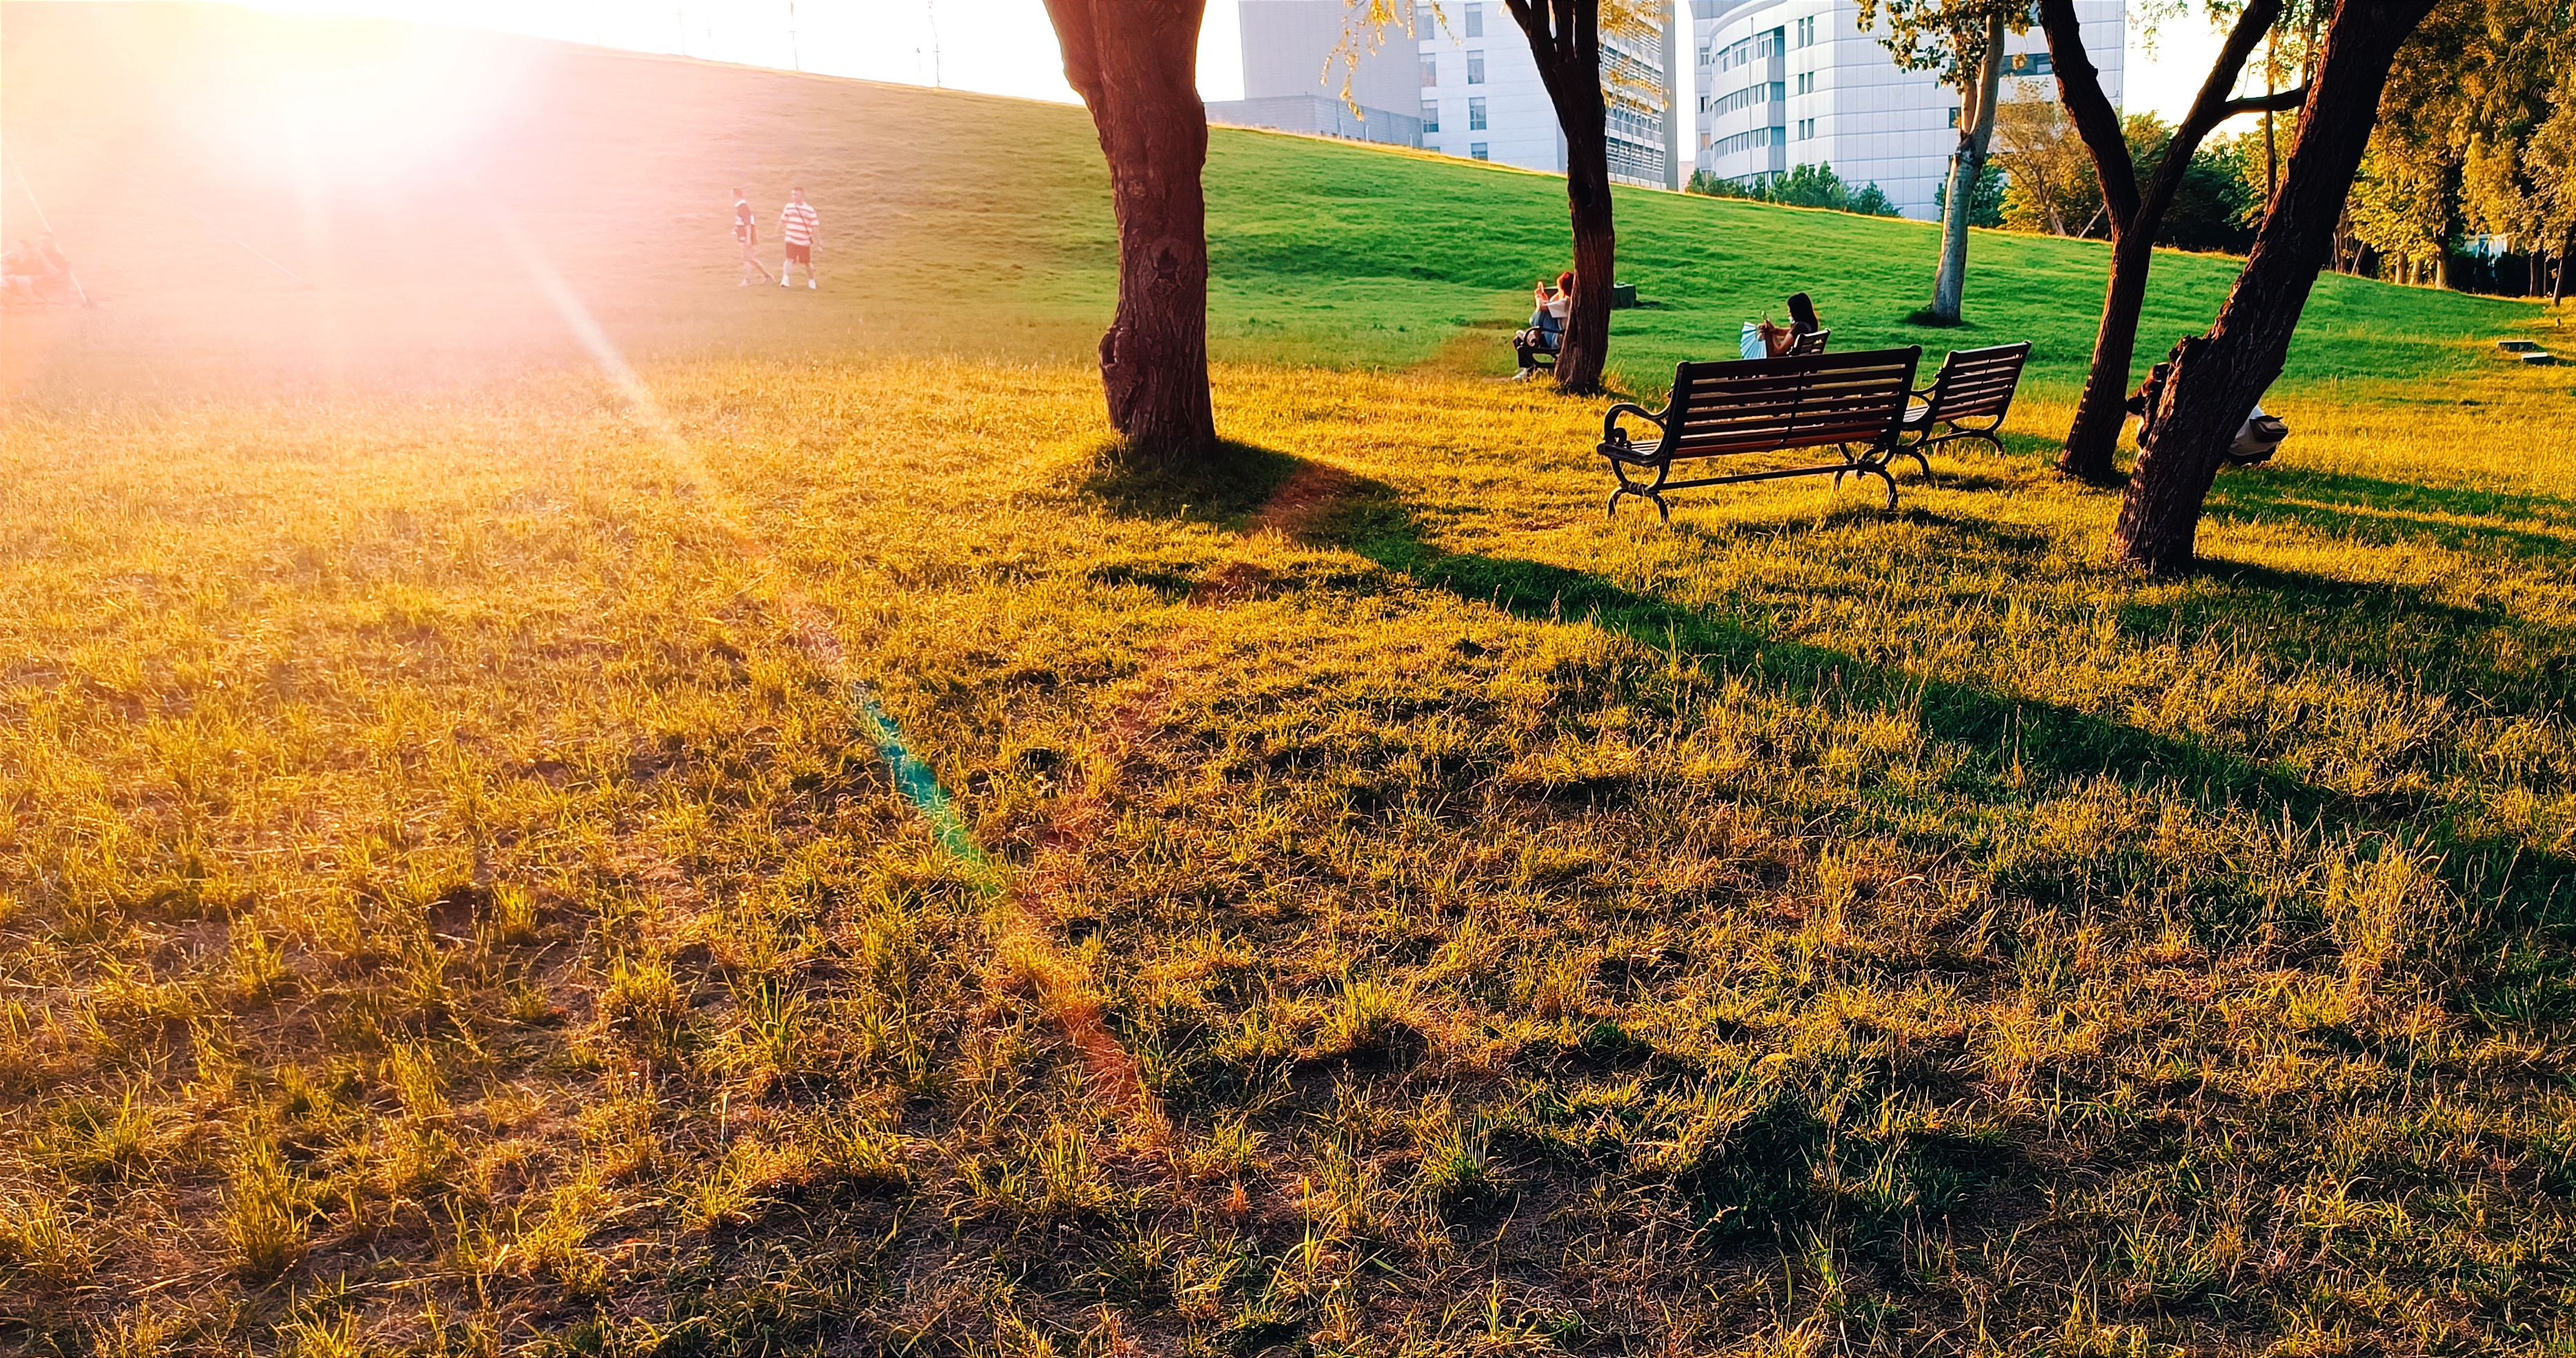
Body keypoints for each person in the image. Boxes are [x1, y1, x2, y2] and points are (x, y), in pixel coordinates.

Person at [1512, 271, 1574, 379]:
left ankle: (1533, 337)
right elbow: (1550, 304)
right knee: (1546, 310)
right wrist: (1545, 298)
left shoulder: (1565, 303)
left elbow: (1543, 307)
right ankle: (1528, 366)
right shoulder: (1568, 302)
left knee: (1543, 310)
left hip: (1557, 340)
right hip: (1560, 336)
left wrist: (1539, 296)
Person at [1740, 292, 1824, 359]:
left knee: (1763, 337)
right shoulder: (1809, 327)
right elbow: (1785, 332)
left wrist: (1768, 334)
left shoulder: (1798, 328)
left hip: (1784, 368)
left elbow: (1777, 353)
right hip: (1800, 366)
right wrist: (1773, 330)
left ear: (1796, 312)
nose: (1788, 312)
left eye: (1790, 310)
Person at [778, 186, 820, 289]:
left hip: (804, 241)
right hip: (791, 238)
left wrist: (819, 240)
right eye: (793, 195)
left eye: (796, 195)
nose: (794, 197)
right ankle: (785, 279)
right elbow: (783, 219)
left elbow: (815, 226)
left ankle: (812, 280)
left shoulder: (809, 210)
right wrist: (777, 230)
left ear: (802, 196)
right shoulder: (789, 207)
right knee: (789, 259)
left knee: (807, 262)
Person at [733, 190, 771, 286]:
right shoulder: (740, 208)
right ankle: (768, 276)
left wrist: (748, 239)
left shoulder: (743, 207)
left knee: (747, 259)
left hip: (745, 238)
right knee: (751, 259)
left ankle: (747, 280)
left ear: (736, 195)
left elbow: (748, 224)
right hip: (743, 237)